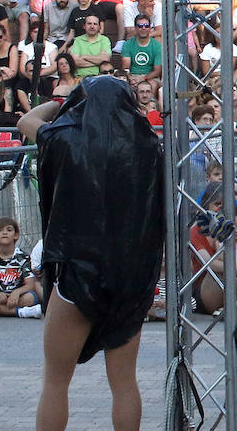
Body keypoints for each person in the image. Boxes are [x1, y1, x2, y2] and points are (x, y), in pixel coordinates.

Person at [20, 76, 164, 431]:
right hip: (129, 278)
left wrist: (63, 102)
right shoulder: (147, 146)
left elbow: (25, 121)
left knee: (56, 380)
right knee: (124, 382)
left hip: (77, 273)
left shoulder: (66, 139)